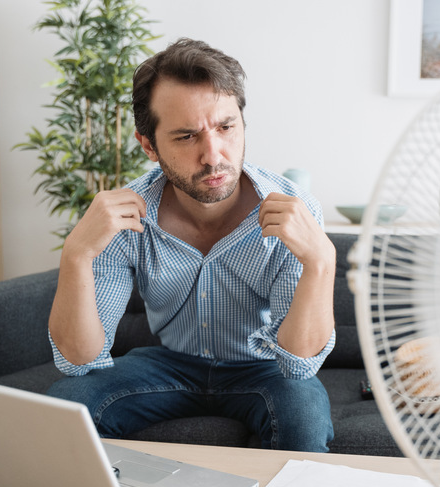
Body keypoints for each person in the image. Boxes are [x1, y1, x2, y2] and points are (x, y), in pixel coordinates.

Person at [46, 38, 336, 452]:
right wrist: (76, 255)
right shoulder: (123, 215)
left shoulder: (295, 210)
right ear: (149, 145)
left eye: (225, 127)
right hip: (168, 364)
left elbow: (298, 362)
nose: (213, 155)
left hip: (265, 369)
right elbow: (78, 361)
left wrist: (321, 262)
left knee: (303, 415)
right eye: (186, 136)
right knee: (66, 406)